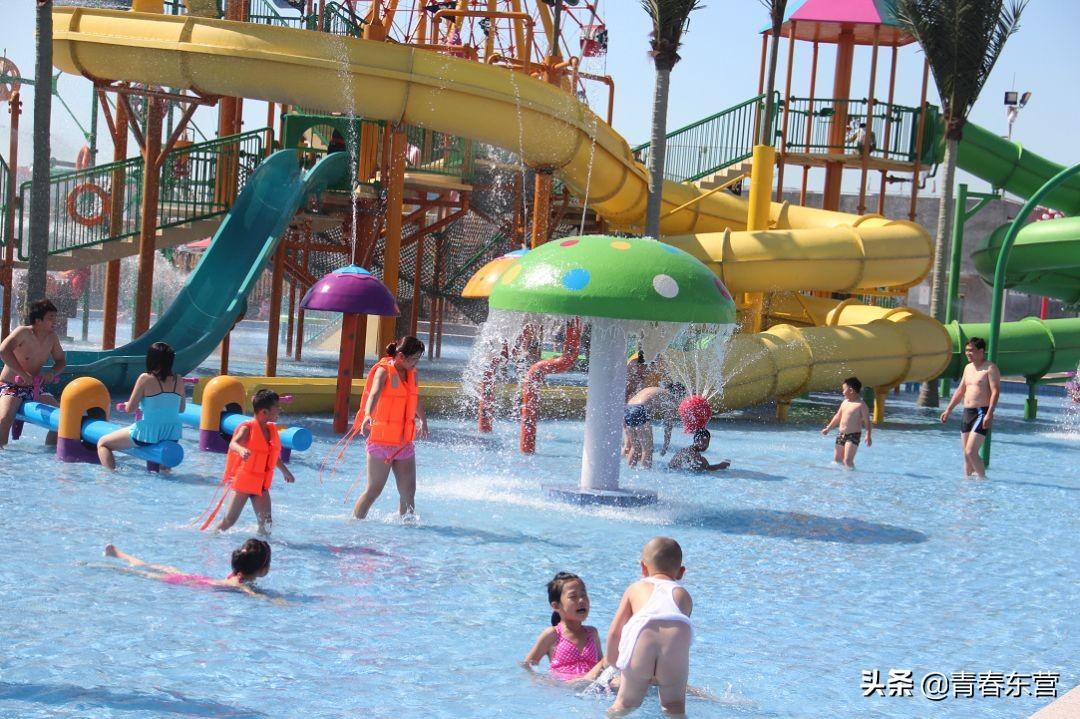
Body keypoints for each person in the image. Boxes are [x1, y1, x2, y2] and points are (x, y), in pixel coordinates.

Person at [604, 537, 693, 717]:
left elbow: (615, 632)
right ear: (681, 572)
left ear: (643, 568)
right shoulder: (684, 595)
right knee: (674, 705)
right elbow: (678, 635)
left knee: (625, 703)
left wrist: (613, 662)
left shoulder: (636, 588)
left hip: (643, 637)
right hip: (675, 645)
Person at [352, 336, 429, 520]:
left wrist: (423, 420)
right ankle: (354, 523)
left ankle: (406, 528)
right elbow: (374, 393)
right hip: (381, 443)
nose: (416, 363)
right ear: (401, 356)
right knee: (373, 490)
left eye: (418, 359)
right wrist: (368, 415)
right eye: (413, 359)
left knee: (408, 492)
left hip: (404, 443)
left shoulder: (412, 374)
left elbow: (415, 399)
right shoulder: (384, 371)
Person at [215, 390, 295, 534]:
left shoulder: (270, 430)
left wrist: (285, 471)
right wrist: (241, 450)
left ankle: (262, 545)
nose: (280, 410)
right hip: (244, 484)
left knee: (267, 524)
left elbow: (272, 456)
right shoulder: (247, 428)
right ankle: (211, 538)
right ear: (264, 412)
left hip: (261, 485)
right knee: (229, 521)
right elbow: (233, 443)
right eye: (277, 407)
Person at [96, 342, 185, 470]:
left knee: (103, 444)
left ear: (151, 359)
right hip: (172, 435)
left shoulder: (145, 378)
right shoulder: (179, 379)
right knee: (164, 468)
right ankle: (166, 472)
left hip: (147, 435)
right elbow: (181, 409)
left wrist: (127, 404)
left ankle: (111, 475)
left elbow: (130, 409)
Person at [0, 299, 65, 447]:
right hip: (11, 386)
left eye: (55, 317)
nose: (55, 321)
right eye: (51, 318)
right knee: (3, 419)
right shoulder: (23, 332)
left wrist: (52, 373)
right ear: (38, 320)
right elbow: (3, 351)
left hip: (34, 388)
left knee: (64, 420)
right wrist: (23, 374)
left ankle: (49, 452)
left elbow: (61, 361)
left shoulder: (52, 338)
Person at [103, 539, 270, 596]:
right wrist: (277, 601)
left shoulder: (236, 573)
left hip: (193, 577)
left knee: (148, 567)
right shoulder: (241, 585)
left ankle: (118, 554)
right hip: (187, 582)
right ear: (262, 569)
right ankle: (108, 566)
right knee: (140, 574)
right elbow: (255, 595)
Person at [522, 572, 606, 683]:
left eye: (583, 595)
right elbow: (527, 665)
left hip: (590, 686)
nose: (581, 600)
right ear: (556, 606)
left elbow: (602, 666)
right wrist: (547, 682)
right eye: (573, 597)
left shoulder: (592, 633)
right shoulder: (552, 635)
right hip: (566, 686)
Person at [940, 337, 1001, 478]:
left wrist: (989, 413)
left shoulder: (990, 368)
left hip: (981, 412)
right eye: (966, 350)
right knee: (966, 455)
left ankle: (983, 481)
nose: (968, 353)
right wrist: (948, 410)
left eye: (971, 350)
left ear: (981, 351)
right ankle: (967, 484)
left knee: (971, 451)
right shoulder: (968, 368)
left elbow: (995, 392)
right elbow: (960, 390)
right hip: (967, 412)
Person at [624, 382, 685, 469]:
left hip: (628, 408)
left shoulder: (656, 390)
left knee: (635, 447)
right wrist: (666, 445)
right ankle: (645, 473)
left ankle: (630, 469)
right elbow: (668, 424)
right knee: (647, 449)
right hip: (639, 409)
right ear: (678, 393)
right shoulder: (670, 397)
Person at [821, 376, 873, 469]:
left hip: (853, 436)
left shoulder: (861, 405)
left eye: (844, 389)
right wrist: (828, 428)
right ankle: (840, 476)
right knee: (837, 460)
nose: (842, 392)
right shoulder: (845, 402)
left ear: (851, 390)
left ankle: (851, 476)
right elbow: (838, 416)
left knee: (847, 460)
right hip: (841, 434)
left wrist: (868, 435)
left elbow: (867, 422)